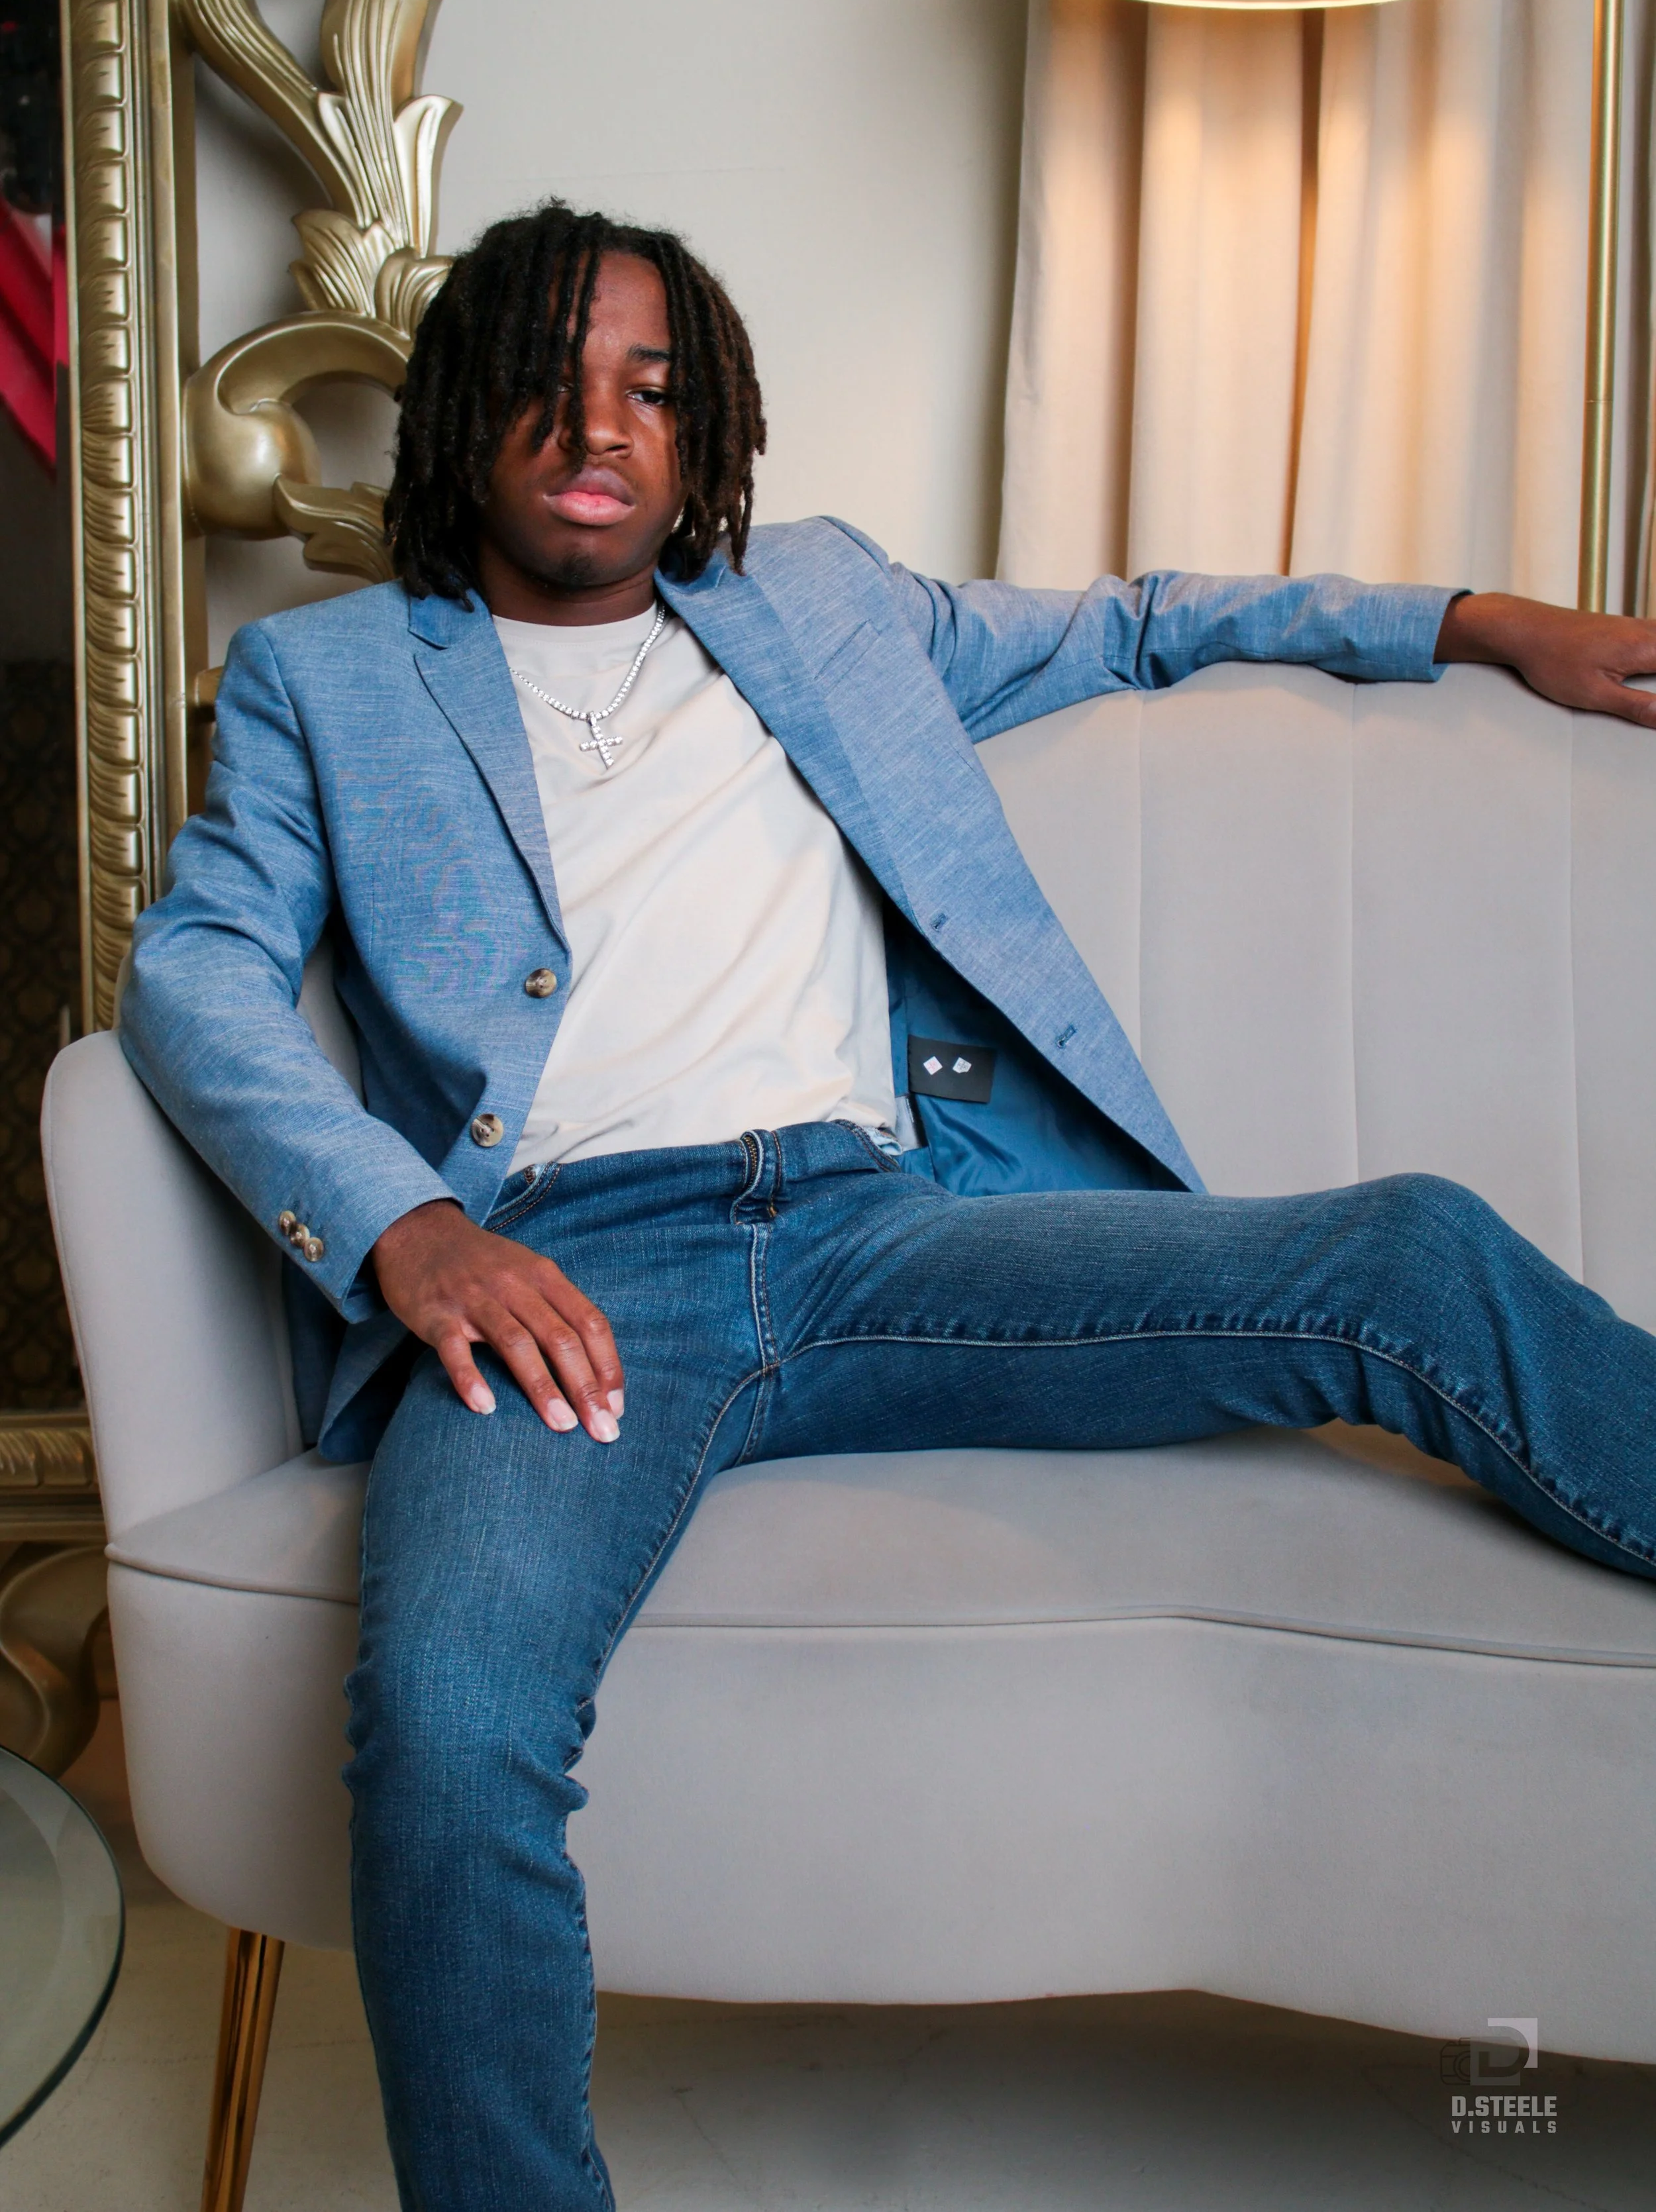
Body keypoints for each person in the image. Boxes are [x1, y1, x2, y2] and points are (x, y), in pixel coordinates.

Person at [121, 199, 1656, 2211]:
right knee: (447, 1715)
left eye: (654, 389)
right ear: (459, 414)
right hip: (573, 1280)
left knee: (1408, 1250)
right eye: (549, 377)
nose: (602, 426)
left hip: (894, 1232)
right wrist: (411, 1229)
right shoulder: (328, 681)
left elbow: (1139, 621)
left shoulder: (825, 602)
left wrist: (1472, 622)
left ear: (708, 432)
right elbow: (193, 973)